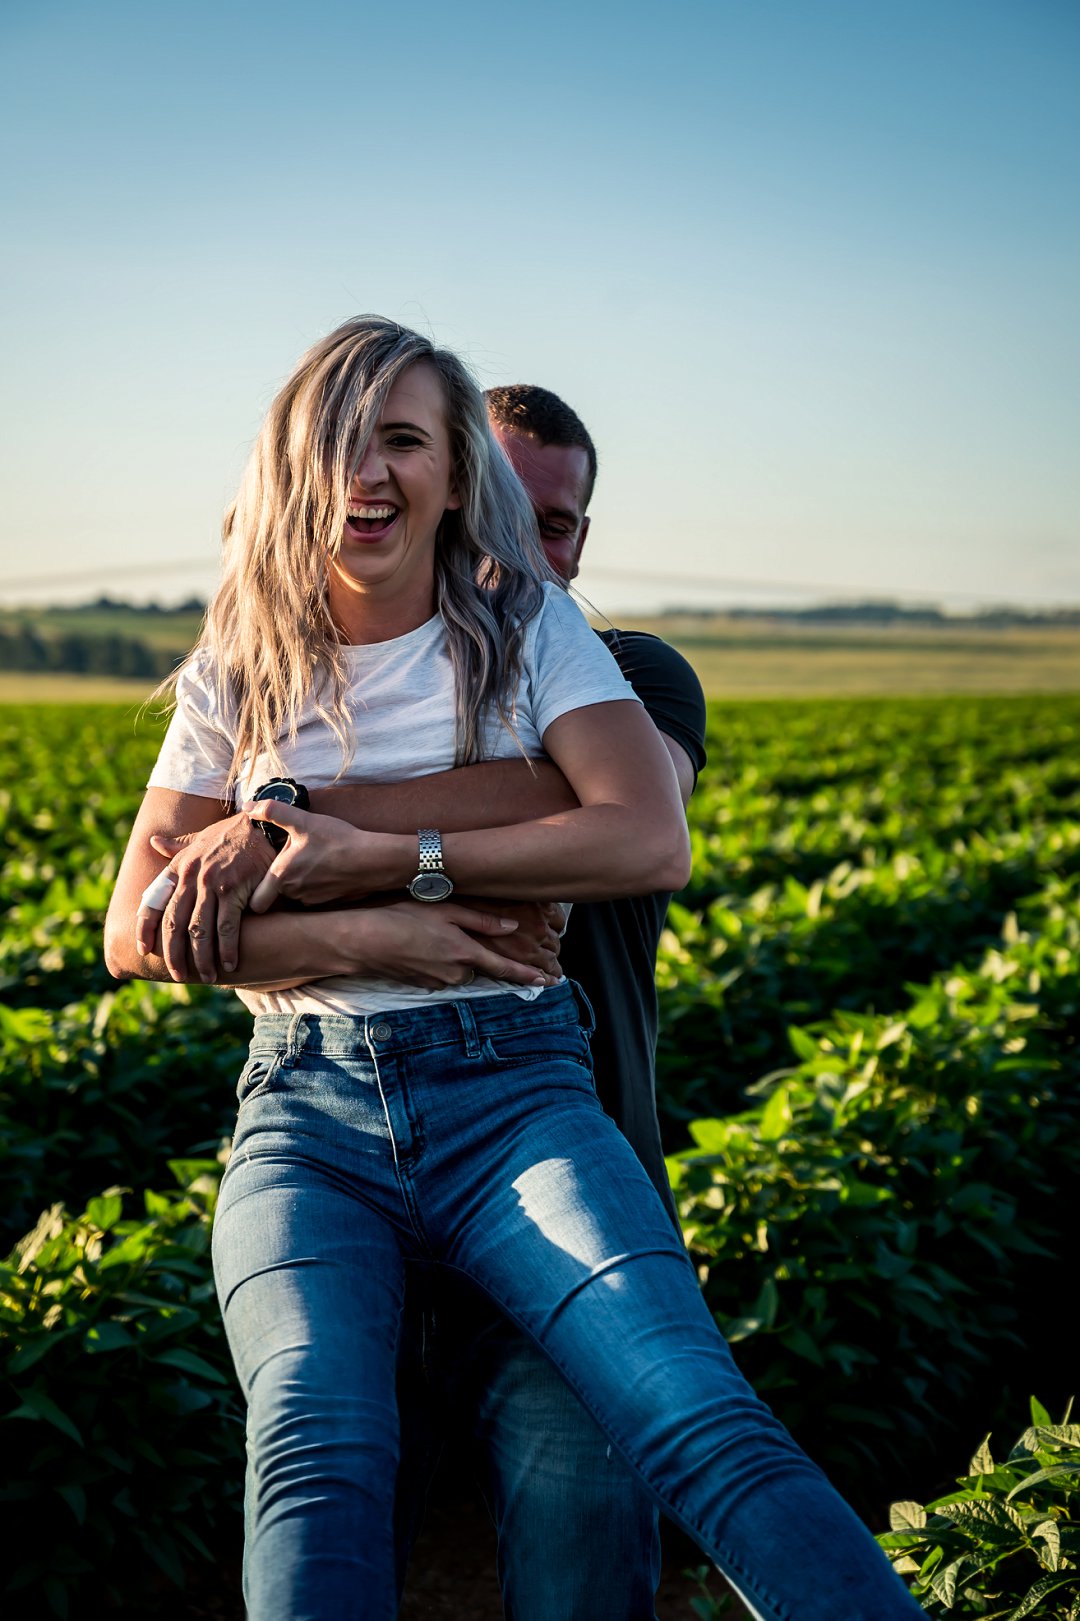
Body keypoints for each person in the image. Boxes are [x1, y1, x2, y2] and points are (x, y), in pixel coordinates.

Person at [104, 315, 923, 1621]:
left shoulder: (573, 650)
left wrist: (309, 837)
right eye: (339, 436)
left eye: (404, 440)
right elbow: (137, 922)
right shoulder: (240, 665)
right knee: (318, 1453)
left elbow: (641, 825)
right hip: (311, 1107)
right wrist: (375, 929)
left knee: (678, 1438)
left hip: (525, 1096)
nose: (367, 471)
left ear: (456, 481)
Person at [135, 379, 704, 1620]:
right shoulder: (320, 681)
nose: (516, 548)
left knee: (584, 1558)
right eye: (498, 508)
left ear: (578, 540)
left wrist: (273, 818)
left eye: (549, 524)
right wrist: (338, 890)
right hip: (357, 1169)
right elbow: (149, 922)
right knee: (340, 1515)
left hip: (562, 1162)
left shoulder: (625, 673)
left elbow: (620, 806)